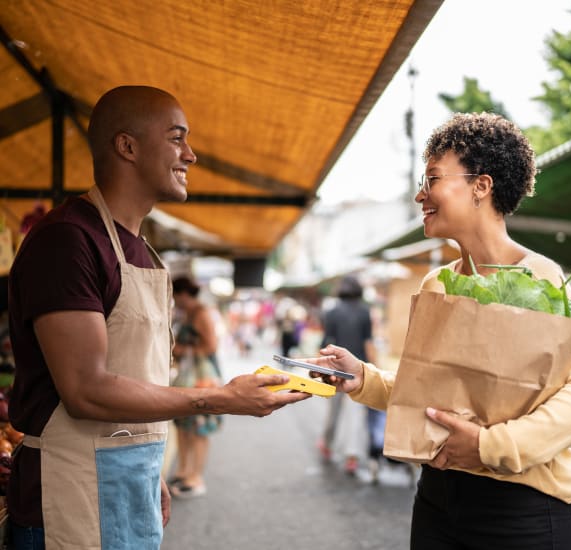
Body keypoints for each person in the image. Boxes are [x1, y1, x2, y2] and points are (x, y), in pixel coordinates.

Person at [7, 85, 310, 550]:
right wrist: (219, 398)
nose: (190, 154)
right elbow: (86, 390)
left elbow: (134, 376)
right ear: (127, 146)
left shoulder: (142, 250)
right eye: (176, 138)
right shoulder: (68, 240)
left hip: (134, 481)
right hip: (67, 501)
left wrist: (149, 468)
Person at [308, 112, 571, 549]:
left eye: (432, 179)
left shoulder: (540, 277)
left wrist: (490, 445)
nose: (419, 195)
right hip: (438, 500)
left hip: (524, 508)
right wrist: (362, 378)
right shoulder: (436, 284)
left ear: (481, 186)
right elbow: (428, 395)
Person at [169, 276, 222, 499]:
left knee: (199, 427)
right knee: (183, 424)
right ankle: (184, 470)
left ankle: (196, 476)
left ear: (182, 294)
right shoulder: (189, 313)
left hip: (202, 376)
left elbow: (211, 346)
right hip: (188, 375)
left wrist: (182, 350)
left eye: (175, 295)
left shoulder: (201, 313)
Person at [317, 275, 376, 474]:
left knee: (332, 412)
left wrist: (319, 367)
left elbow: (325, 341)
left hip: (334, 369)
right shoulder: (365, 311)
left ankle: (326, 444)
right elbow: (368, 343)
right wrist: (374, 368)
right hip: (357, 370)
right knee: (355, 415)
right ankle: (352, 457)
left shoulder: (332, 312)